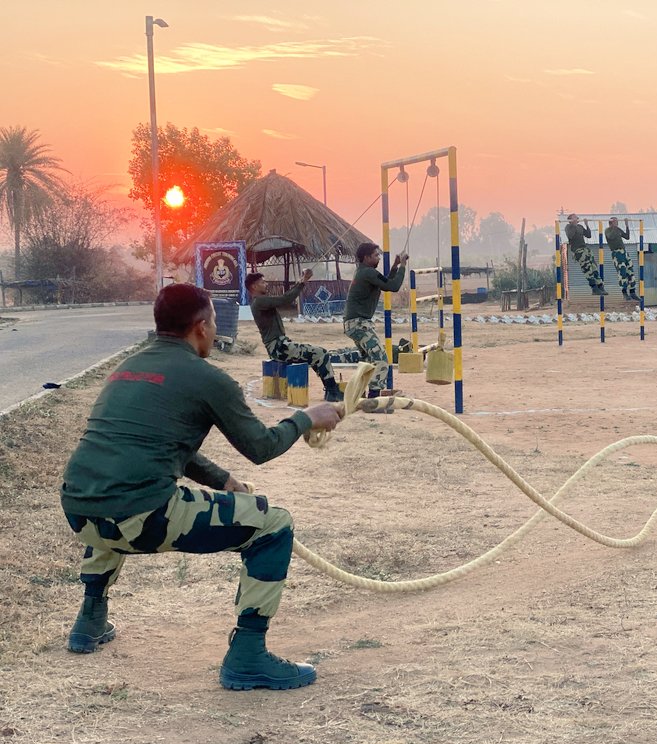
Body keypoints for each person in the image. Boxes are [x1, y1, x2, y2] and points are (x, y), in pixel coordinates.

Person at [62, 284, 343, 690]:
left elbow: (153, 444)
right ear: (199, 327)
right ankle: (248, 655)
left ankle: (89, 621)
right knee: (274, 524)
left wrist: (223, 481)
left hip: (79, 509)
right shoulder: (208, 378)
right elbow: (262, 447)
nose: (213, 330)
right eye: (212, 322)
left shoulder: (127, 369)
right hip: (142, 515)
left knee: (114, 500)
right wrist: (306, 417)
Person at [246, 269, 343, 402]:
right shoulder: (259, 302)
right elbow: (285, 299)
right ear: (254, 286)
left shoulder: (259, 302)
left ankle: (331, 390)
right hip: (278, 347)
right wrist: (302, 282)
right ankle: (332, 390)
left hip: (279, 346)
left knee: (316, 355)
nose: (266, 284)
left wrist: (300, 283)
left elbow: (285, 297)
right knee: (321, 353)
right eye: (263, 282)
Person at [343, 242, 408, 398]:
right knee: (381, 360)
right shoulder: (369, 273)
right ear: (366, 258)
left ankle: (358, 395)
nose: (378, 257)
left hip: (353, 323)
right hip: (359, 323)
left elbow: (385, 284)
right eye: (376, 255)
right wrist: (403, 266)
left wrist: (395, 266)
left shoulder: (364, 272)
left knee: (367, 361)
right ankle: (373, 397)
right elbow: (393, 286)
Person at [565, 213, 607, 296]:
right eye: (574, 218)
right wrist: (573, 225)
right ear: (570, 220)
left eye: (576, 218)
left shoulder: (580, 227)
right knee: (587, 268)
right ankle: (594, 288)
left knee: (594, 267)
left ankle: (600, 286)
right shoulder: (568, 227)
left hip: (585, 249)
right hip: (578, 250)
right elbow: (570, 236)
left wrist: (586, 225)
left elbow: (588, 235)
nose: (576, 219)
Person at [605, 217, 640, 301]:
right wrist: (614, 226)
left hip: (623, 252)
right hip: (616, 252)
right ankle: (624, 292)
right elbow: (611, 236)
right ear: (611, 223)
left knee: (630, 271)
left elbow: (627, 237)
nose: (617, 223)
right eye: (615, 222)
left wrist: (627, 226)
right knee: (622, 271)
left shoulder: (617, 229)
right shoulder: (608, 230)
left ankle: (632, 291)